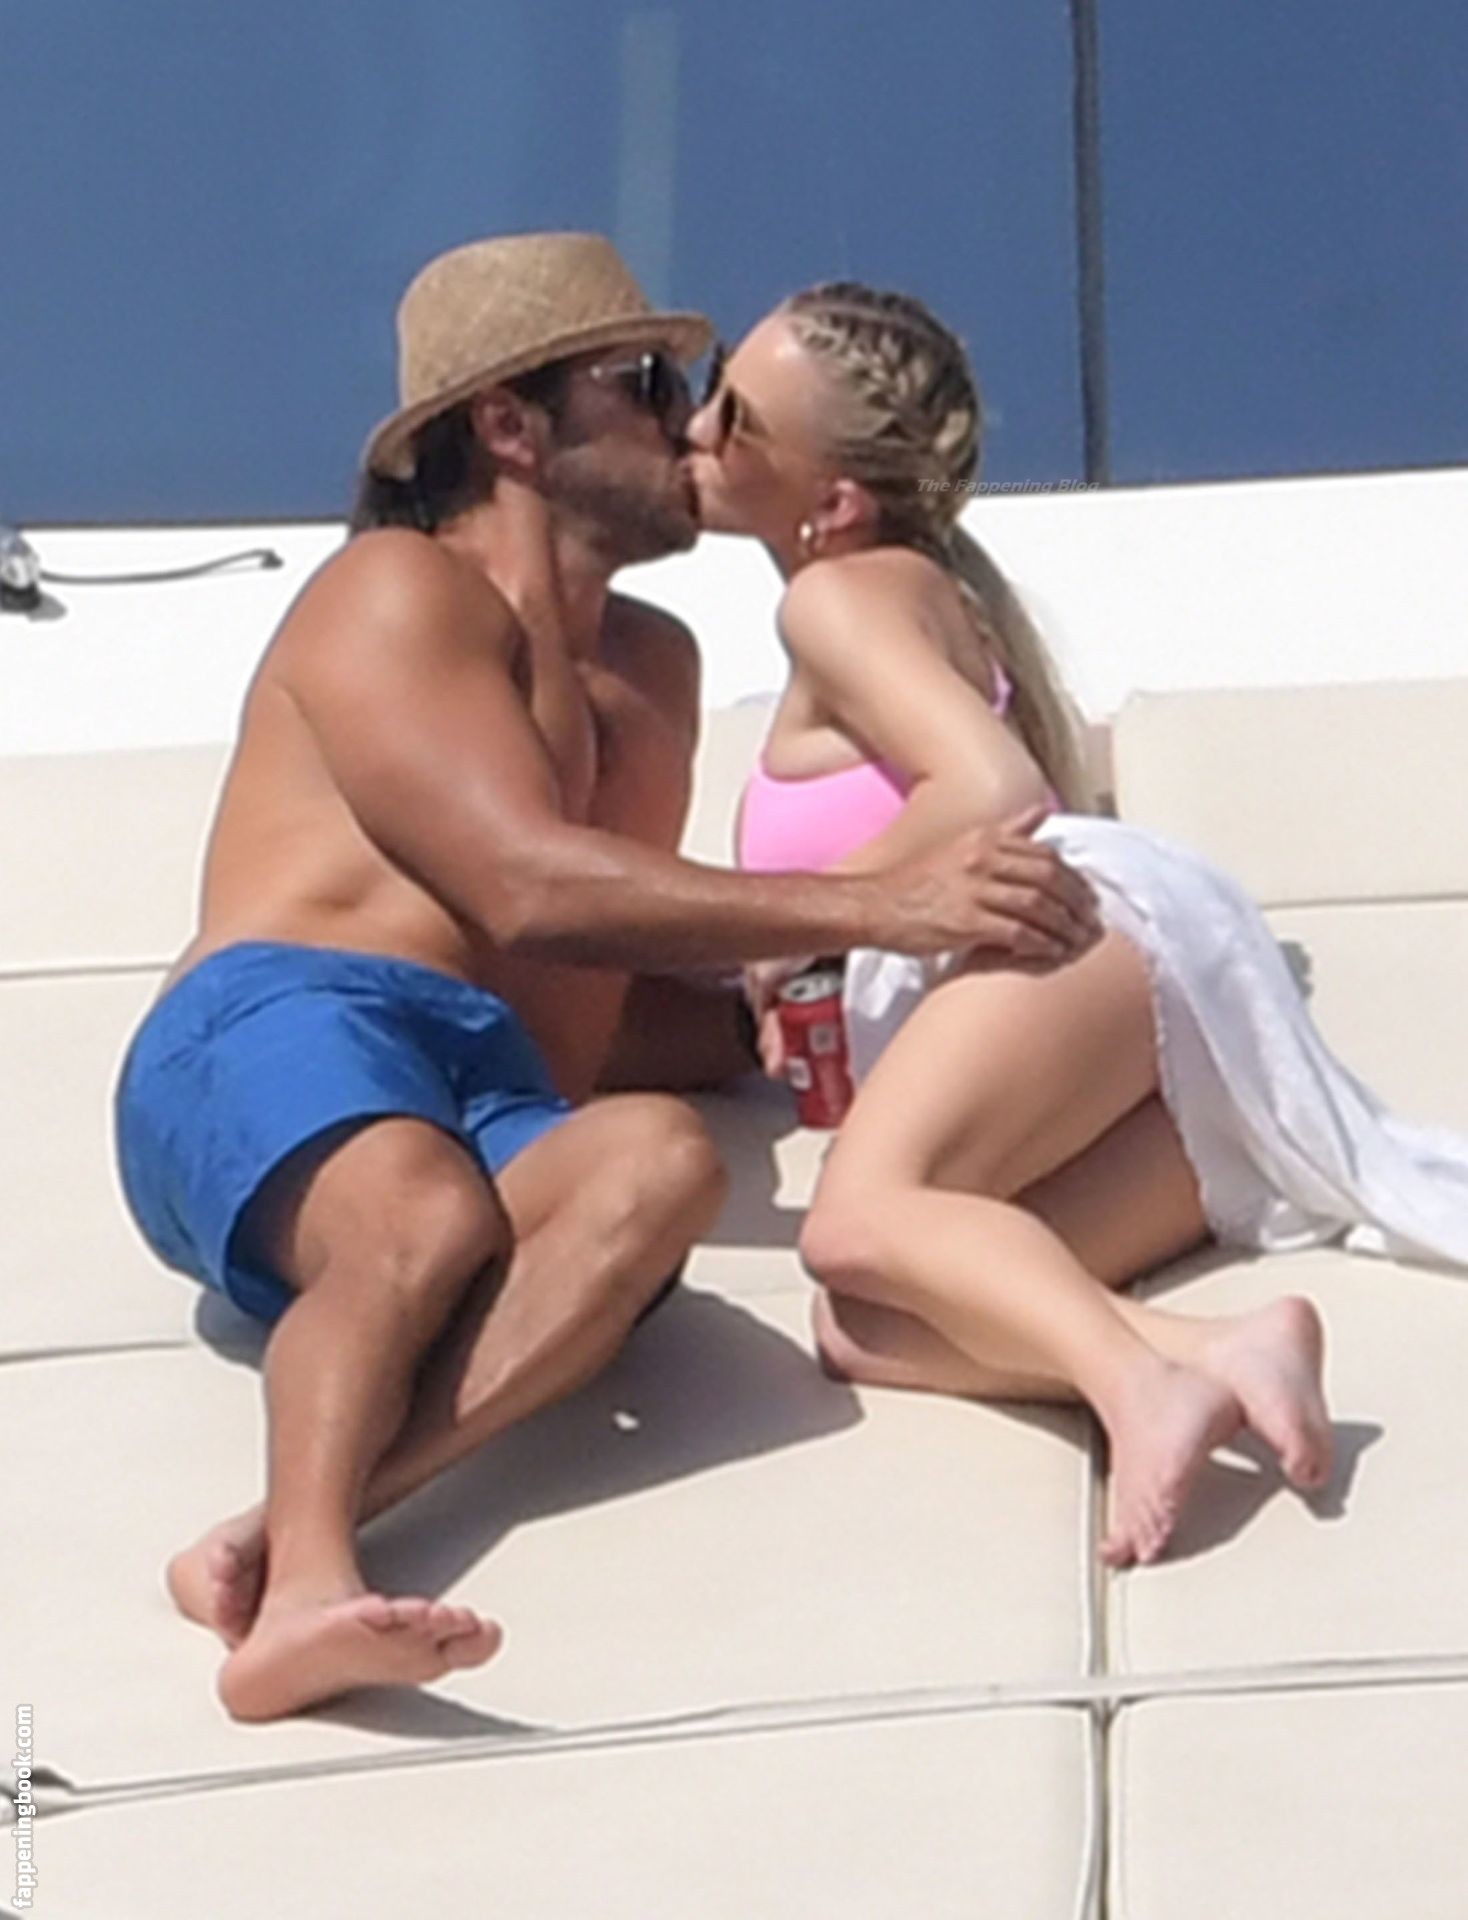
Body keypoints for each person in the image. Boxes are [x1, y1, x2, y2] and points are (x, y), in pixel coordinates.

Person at [113, 235, 1101, 1722]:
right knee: (419, 1209)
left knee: (657, 1167)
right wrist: (884, 904)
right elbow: (521, 882)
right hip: (277, 1023)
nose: (686, 419)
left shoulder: (654, 669)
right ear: (510, 425)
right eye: (643, 383)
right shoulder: (396, 587)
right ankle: (308, 1593)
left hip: (486, 1095)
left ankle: (269, 1542)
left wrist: (785, 1019)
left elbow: (597, 977)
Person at [683, 280, 1468, 1568]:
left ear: (835, 501)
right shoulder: (922, 595)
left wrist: (793, 927)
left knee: (852, 1222)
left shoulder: (833, 597)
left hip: (1074, 935)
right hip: (1109, 983)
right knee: (869, 1326)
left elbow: (994, 789)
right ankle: (1220, 1350)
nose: (696, 430)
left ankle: (1139, 1388)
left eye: (736, 417)